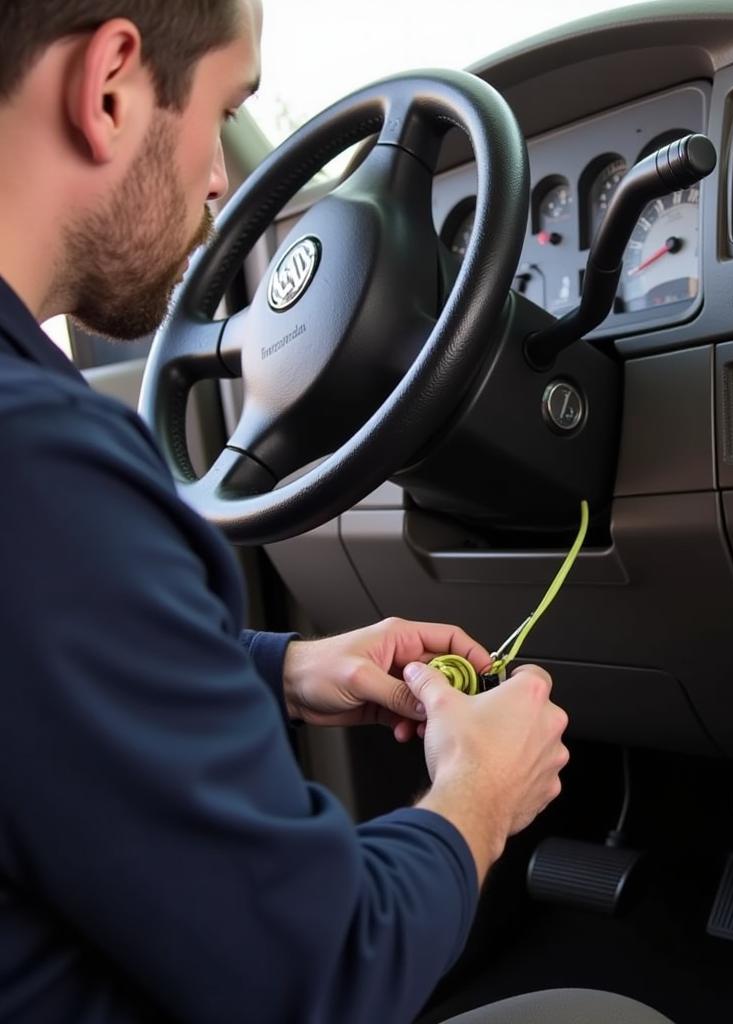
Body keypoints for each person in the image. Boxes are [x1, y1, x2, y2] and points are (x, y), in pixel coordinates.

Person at [0, 2, 575, 1021]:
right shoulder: (43, 467)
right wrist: (481, 794)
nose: (223, 178)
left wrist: (272, 666)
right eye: (225, 111)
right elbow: (325, 973)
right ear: (111, 85)